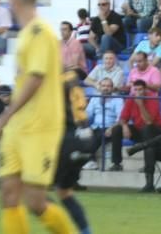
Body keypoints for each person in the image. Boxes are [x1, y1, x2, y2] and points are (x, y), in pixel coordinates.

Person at [0, 0, 77, 234]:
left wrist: (4, 116)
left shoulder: (40, 31)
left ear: (14, 1)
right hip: (18, 126)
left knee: (35, 201)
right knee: (8, 194)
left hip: (40, 125)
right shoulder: (26, 33)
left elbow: (35, 79)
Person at [52, 69, 94, 234]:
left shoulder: (52, 81)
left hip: (68, 139)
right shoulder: (72, 79)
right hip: (86, 138)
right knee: (64, 192)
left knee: (33, 193)